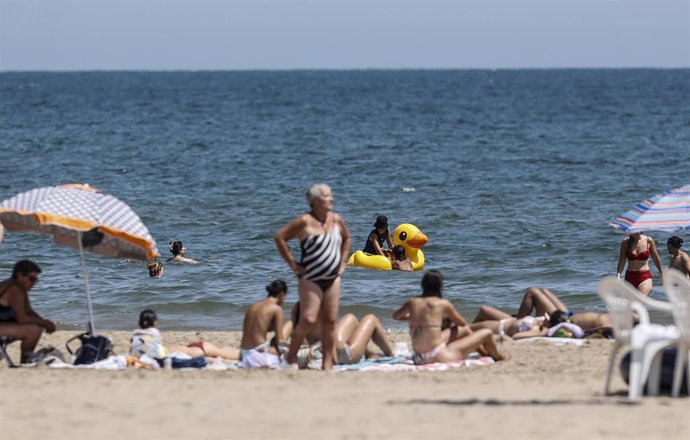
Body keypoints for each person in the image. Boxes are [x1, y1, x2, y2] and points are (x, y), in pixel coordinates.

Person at [275, 183, 352, 370]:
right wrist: (294, 265)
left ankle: (327, 363)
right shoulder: (305, 221)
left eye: (331, 195)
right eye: (327, 196)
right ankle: (291, 358)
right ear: (315, 201)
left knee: (330, 321)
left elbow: (347, 238)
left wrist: (342, 263)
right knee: (308, 318)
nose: (331, 199)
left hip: (333, 278)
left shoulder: (336, 219)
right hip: (310, 278)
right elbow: (280, 237)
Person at [392, 270, 508, 365]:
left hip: (417, 357)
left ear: (422, 285)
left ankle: (484, 352)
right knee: (486, 333)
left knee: (463, 331)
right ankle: (497, 356)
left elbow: (396, 316)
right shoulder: (442, 303)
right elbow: (461, 322)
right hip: (437, 356)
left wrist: (416, 319)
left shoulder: (412, 302)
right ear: (440, 286)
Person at [471, 287, 613, 339]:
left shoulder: (612, 326)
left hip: (563, 320)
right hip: (566, 316)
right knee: (542, 291)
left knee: (533, 291)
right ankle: (519, 320)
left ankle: (519, 320)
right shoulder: (617, 321)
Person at [284, 302, 394, 368]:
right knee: (371, 319)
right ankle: (390, 354)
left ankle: (369, 352)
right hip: (345, 354)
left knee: (350, 318)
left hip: (328, 346)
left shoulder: (298, 328)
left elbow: (280, 341)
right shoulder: (318, 316)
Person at [0, 260, 56, 363]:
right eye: (31, 279)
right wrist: (45, 323)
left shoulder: (18, 287)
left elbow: (29, 311)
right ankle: (26, 362)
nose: (33, 283)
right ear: (19, 275)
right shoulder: (14, 289)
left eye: (35, 280)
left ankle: (27, 360)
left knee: (35, 326)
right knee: (33, 331)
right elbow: (22, 318)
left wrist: (44, 322)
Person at [130, 309, 239, 361]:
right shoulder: (153, 336)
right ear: (153, 322)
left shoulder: (136, 336)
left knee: (225, 354)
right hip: (198, 348)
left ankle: (245, 352)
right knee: (224, 354)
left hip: (197, 349)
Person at [239, 279, 288, 359]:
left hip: (243, 352)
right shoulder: (276, 309)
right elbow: (280, 340)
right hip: (260, 351)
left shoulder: (254, 306)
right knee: (290, 325)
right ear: (282, 294)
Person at [615, 231, 663, 295]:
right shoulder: (625, 242)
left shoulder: (648, 240)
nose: (635, 234)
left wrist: (662, 273)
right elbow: (622, 261)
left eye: (637, 231)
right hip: (630, 276)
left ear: (641, 230)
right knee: (631, 304)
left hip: (644, 276)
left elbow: (655, 258)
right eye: (633, 232)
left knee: (640, 301)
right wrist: (618, 275)